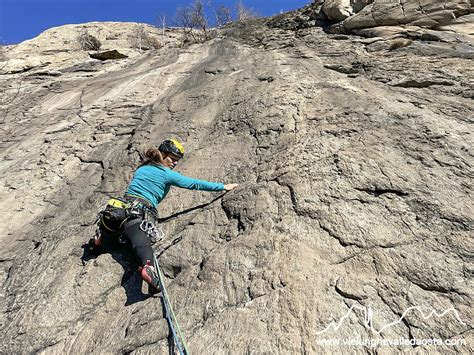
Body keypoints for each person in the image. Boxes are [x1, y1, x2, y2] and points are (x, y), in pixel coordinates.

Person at [103, 139, 238, 293]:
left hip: (118, 211)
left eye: (176, 161)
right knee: (142, 244)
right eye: (172, 159)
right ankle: (149, 269)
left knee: (113, 236)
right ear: (162, 154)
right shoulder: (167, 174)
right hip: (138, 215)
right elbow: (193, 183)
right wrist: (222, 187)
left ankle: (100, 240)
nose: (174, 163)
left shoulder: (142, 169)